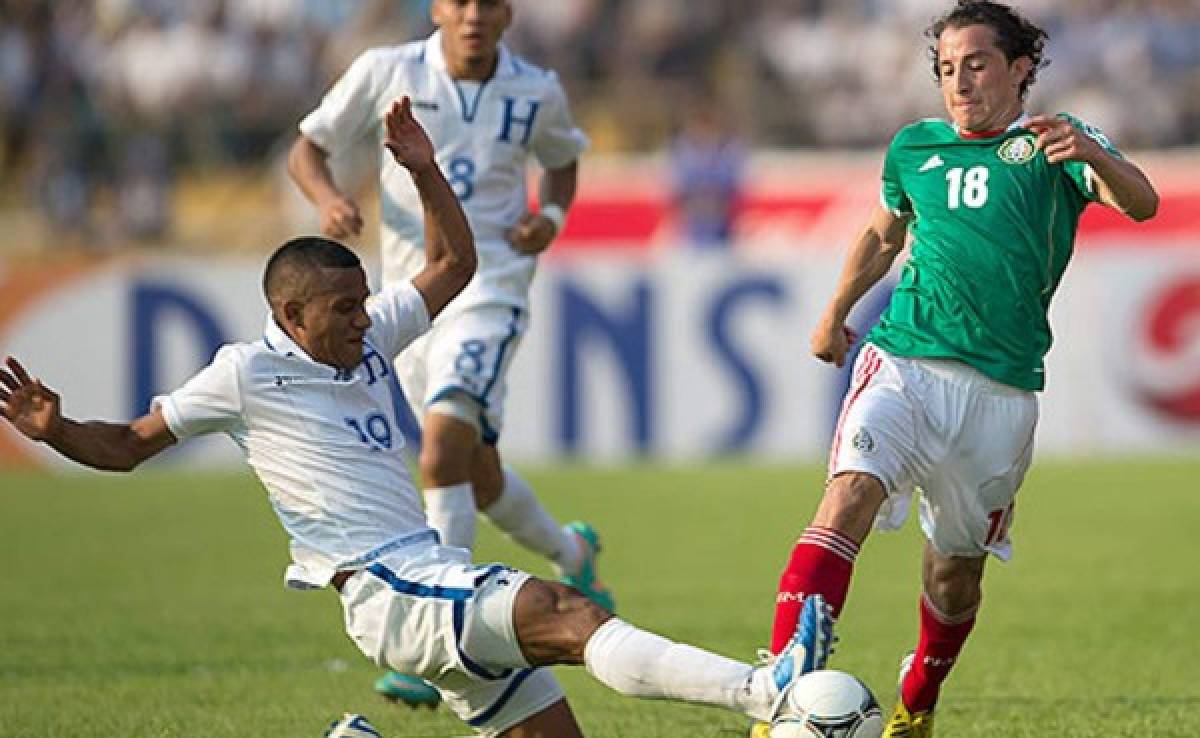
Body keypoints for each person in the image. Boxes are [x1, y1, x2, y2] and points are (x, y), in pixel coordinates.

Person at [1, 100, 823, 738]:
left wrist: (426, 172)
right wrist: (58, 430)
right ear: (291, 314)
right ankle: (771, 692)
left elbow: (454, 264)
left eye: (364, 303)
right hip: (387, 587)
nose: (365, 320)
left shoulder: (366, 339)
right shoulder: (244, 373)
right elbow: (130, 445)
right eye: (343, 309)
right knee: (571, 614)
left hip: (422, 577)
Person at [753, 3, 1160, 737]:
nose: (959, 81)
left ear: (1019, 68)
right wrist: (834, 311)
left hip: (1000, 395)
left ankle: (917, 702)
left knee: (953, 575)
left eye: (975, 63)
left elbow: (1143, 204)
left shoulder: (1054, 143)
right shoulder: (914, 148)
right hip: (902, 358)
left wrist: (1096, 157)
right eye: (946, 68)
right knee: (847, 497)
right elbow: (883, 232)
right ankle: (782, 695)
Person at [287, 0, 605, 706]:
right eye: (459, 0)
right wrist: (329, 199)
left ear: (508, 13)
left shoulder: (536, 89)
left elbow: (561, 160)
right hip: (409, 301)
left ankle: (438, 632)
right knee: (476, 475)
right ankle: (575, 553)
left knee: (439, 453)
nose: (473, 15)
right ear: (437, 7)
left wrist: (548, 216)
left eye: (488, 2)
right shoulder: (386, 70)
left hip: (490, 288)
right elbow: (306, 148)